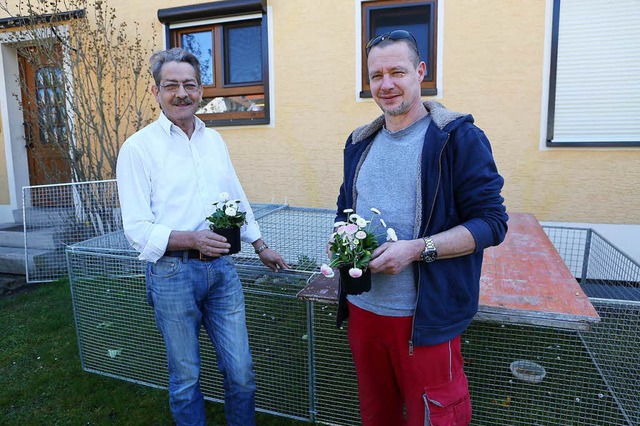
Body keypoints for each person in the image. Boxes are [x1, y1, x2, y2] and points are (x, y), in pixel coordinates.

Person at [332, 30, 508, 426]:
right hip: (363, 311)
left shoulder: (457, 139)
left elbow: (492, 224)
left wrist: (416, 249)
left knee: (437, 415)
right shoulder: (359, 143)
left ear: (420, 72)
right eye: (376, 75)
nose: (386, 84)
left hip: (424, 318)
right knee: (378, 414)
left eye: (397, 71)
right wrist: (342, 236)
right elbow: (346, 208)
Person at [116, 47, 289, 426]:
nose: (181, 93)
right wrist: (191, 239)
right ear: (156, 91)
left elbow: (235, 196)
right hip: (171, 275)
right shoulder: (137, 149)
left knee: (241, 372)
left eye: (189, 85)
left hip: (222, 271)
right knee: (186, 378)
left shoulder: (214, 141)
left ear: (201, 90)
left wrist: (259, 244)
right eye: (171, 85)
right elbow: (136, 229)